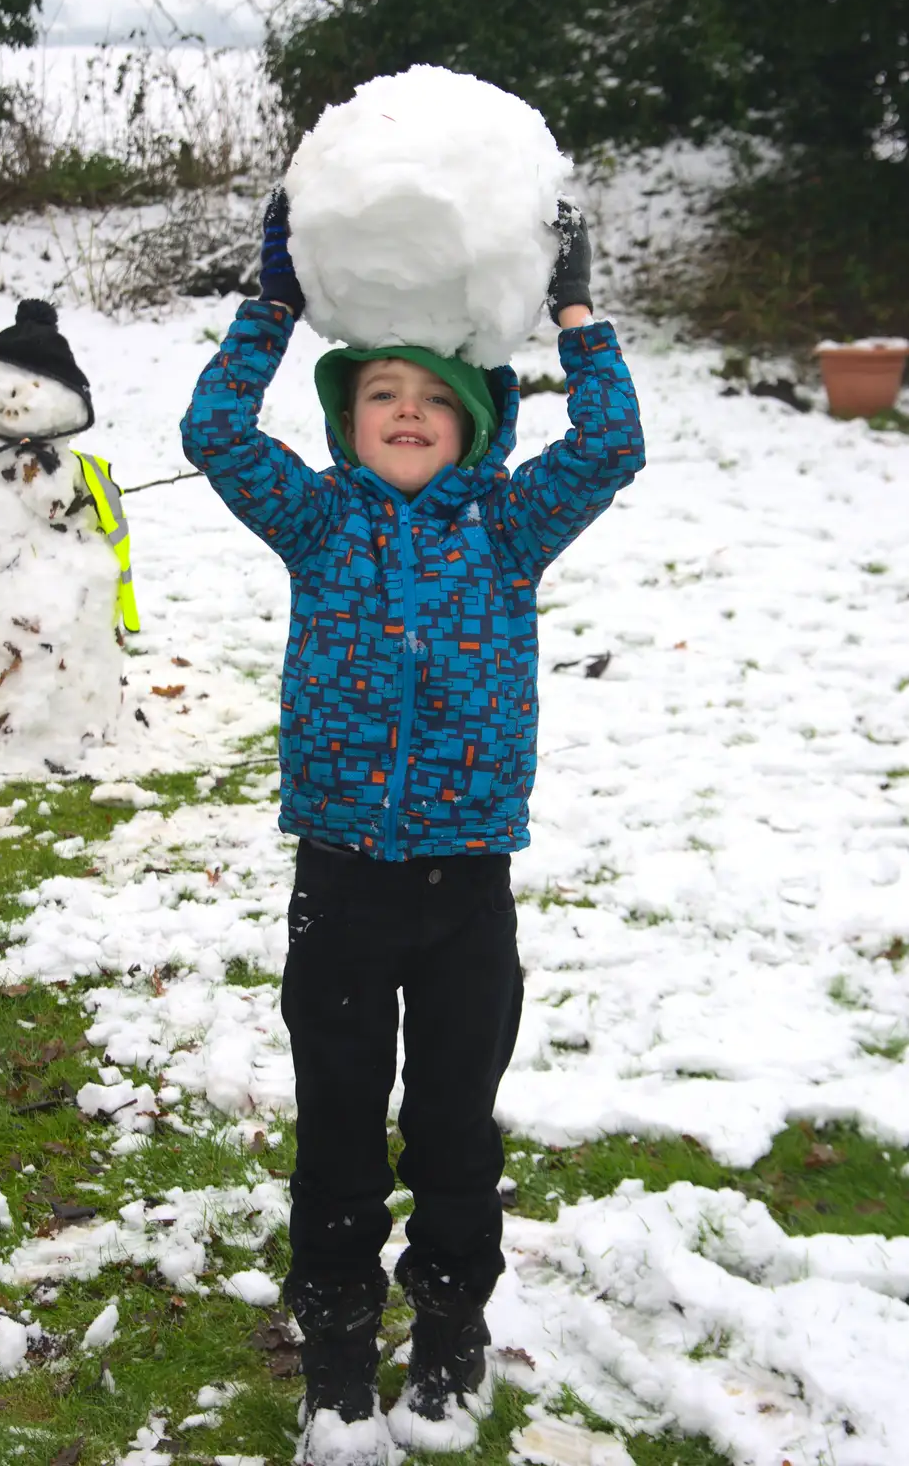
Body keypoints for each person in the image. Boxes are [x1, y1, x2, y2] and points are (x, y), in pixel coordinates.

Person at [181, 191, 645, 1466]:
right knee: (336, 1118)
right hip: (339, 879)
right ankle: (334, 1347)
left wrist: (574, 311)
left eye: (431, 399)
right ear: (346, 422)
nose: (402, 411)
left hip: (465, 889)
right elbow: (213, 431)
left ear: (473, 427)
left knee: (452, 1119)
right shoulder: (318, 524)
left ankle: (449, 1328)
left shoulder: (505, 531)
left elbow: (608, 445)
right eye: (379, 393)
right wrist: (270, 304)